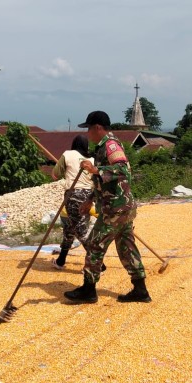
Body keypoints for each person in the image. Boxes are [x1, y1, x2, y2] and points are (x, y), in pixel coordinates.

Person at [64, 111, 150, 304]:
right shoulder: (103, 146)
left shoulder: (111, 145)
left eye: (88, 128)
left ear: (97, 127)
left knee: (95, 245)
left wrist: (96, 169)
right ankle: (140, 289)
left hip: (115, 210)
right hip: (120, 207)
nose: (87, 133)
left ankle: (88, 290)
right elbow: (106, 183)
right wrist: (90, 200)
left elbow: (123, 171)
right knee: (127, 247)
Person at [51, 135, 95, 269]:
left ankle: (98, 264)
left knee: (81, 231)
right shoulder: (92, 159)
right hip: (89, 196)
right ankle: (61, 261)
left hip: (74, 195)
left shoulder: (68, 154)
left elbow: (54, 175)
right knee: (70, 228)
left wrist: (63, 168)